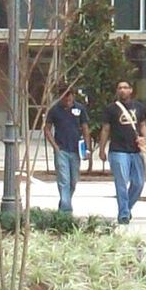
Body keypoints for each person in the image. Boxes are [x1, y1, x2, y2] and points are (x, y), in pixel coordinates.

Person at [101, 80, 146, 224]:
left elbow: (143, 125)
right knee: (121, 183)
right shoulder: (111, 109)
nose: (122, 90)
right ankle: (123, 214)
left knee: (138, 183)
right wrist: (102, 148)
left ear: (131, 90)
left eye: (125, 88)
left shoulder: (139, 107)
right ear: (117, 91)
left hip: (136, 151)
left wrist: (143, 139)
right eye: (120, 88)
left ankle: (126, 208)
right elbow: (106, 129)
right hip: (118, 150)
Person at [43, 86, 87, 214]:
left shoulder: (80, 109)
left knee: (73, 181)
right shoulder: (55, 110)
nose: (67, 98)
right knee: (64, 180)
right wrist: (55, 146)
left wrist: (87, 148)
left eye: (70, 95)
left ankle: (64, 203)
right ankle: (67, 210)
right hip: (61, 149)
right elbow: (47, 129)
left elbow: (85, 128)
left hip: (75, 149)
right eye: (65, 96)